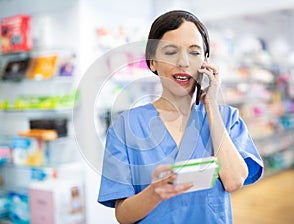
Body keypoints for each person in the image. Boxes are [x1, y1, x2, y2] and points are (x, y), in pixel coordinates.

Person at [98, 10, 263, 224]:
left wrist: (211, 105)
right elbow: (123, 215)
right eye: (170, 51)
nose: (183, 62)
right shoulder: (126, 127)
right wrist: (154, 193)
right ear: (153, 62)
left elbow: (233, 181)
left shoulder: (227, 118)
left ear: (206, 62)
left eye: (194, 52)